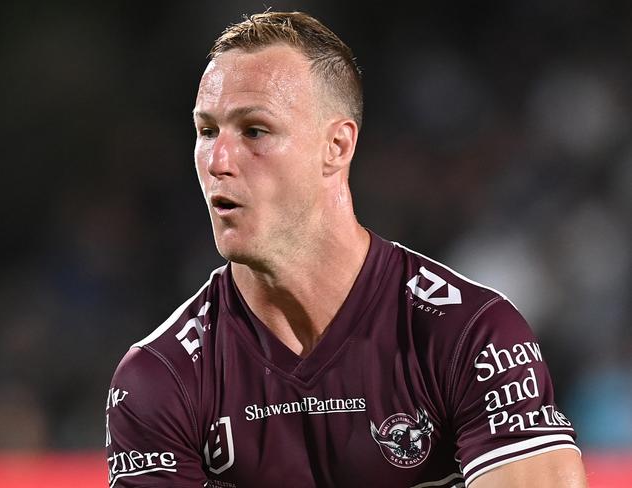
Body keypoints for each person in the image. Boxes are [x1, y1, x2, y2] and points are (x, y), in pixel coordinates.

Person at [105, 11, 588, 488]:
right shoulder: (162, 377)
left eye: (254, 130)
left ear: (336, 146)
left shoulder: (471, 336)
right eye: (207, 131)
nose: (218, 160)